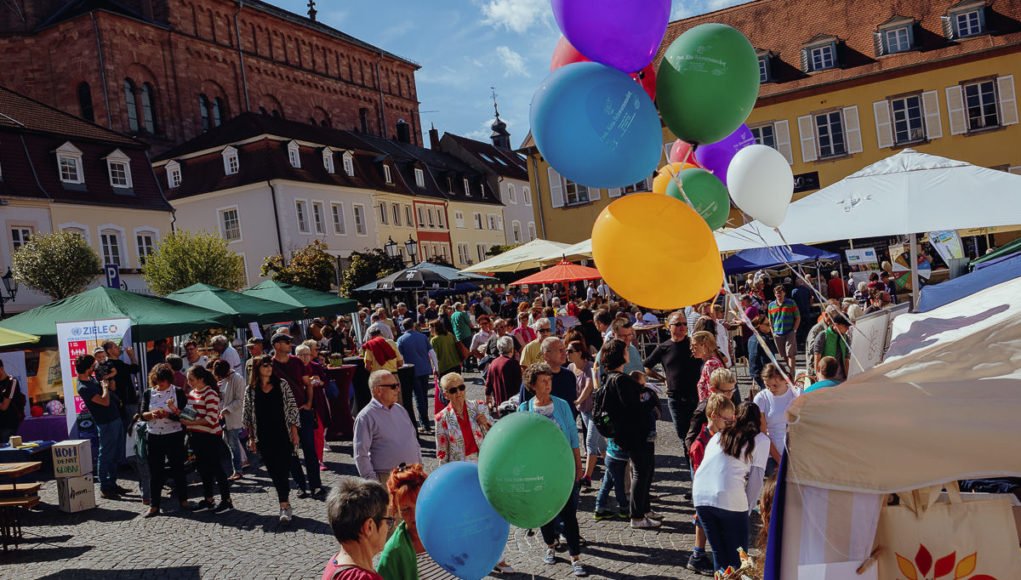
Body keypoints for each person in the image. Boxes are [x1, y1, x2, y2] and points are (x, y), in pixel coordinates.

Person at [518, 363, 587, 577]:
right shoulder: (524, 409)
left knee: (569, 515)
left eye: (550, 380)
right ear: (533, 385)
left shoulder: (562, 405)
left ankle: (576, 557)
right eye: (544, 381)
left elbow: (574, 439)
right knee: (544, 514)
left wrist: (578, 466)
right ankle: (550, 545)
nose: (548, 384)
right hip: (539, 472)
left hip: (562, 469)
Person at [692, 402, 770, 574]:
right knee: (738, 557)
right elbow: (756, 481)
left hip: (701, 496)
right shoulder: (761, 440)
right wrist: (747, 509)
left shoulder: (719, 435)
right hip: (730, 497)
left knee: (720, 555)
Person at [598, 339, 661, 530]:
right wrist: (649, 399)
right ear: (620, 355)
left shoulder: (609, 378)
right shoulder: (622, 380)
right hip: (635, 434)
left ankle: (645, 509)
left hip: (628, 434)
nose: (629, 351)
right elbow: (635, 408)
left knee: (645, 471)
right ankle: (637, 515)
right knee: (641, 473)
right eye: (625, 349)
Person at [243, 354, 301, 523]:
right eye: (264, 366)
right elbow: (248, 416)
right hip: (264, 436)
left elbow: (292, 409)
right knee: (273, 470)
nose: (269, 368)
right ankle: (284, 502)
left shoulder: (281, 385)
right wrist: (251, 438)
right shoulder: (251, 390)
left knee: (283, 468)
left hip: (282, 434)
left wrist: (294, 432)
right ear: (257, 369)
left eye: (270, 365)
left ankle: (284, 504)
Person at [686, 394, 737, 575]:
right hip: (707, 492)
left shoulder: (719, 434)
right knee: (703, 521)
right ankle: (698, 556)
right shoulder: (701, 444)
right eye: (727, 419)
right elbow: (703, 472)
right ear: (714, 416)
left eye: (733, 419)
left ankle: (699, 555)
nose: (730, 423)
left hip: (716, 490)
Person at [271, 332, 324, 497]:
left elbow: (307, 384)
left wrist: (308, 404)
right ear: (277, 345)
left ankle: (316, 484)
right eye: (286, 342)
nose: (290, 345)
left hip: (303, 411)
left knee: (309, 448)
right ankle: (301, 485)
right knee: (291, 451)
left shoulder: (296, 362)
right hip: (284, 415)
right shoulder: (269, 365)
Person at [643, 310, 702, 447]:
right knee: (684, 437)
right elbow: (646, 367)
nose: (682, 327)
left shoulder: (693, 344)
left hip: (696, 395)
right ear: (669, 326)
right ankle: (692, 465)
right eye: (678, 324)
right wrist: (663, 379)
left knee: (699, 434)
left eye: (685, 324)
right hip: (676, 399)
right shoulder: (664, 348)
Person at [180, 365, 233, 513]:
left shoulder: (210, 394)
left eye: (191, 379)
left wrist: (191, 422)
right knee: (203, 469)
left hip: (210, 437)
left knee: (217, 468)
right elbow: (188, 414)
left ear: (201, 379)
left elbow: (211, 419)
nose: (189, 382)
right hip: (196, 436)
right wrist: (177, 412)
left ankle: (226, 500)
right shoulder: (192, 393)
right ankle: (209, 499)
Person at [139, 363, 190, 517]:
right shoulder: (149, 393)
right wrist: (151, 414)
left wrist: (168, 414)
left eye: (163, 382)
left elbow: (185, 416)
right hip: (154, 435)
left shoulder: (178, 392)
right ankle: (154, 505)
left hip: (174, 434)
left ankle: (184, 500)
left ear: (169, 380)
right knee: (155, 471)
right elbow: (141, 414)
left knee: (178, 468)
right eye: (157, 382)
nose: (160, 385)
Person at [353, 370, 422, 483]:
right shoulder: (365, 417)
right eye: (393, 386)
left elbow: (413, 440)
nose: (398, 390)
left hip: (412, 474)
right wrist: (373, 483)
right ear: (378, 390)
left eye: (398, 385)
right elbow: (361, 455)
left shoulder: (400, 409)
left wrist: (419, 466)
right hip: (387, 478)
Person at [76, 354, 127, 499]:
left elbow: (112, 390)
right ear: (87, 369)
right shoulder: (83, 387)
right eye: (93, 365)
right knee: (105, 454)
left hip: (114, 418)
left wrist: (108, 378)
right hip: (105, 422)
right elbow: (104, 401)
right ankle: (105, 487)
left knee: (115, 452)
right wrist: (104, 388)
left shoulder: (91, 379)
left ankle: (112, 483)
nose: (95, 367)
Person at [322, 477, 392, 580]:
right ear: (369, 527)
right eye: (388, 520)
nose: (388, 527)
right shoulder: (365, 578)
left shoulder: (335, 562)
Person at [435, 372, 492, 464]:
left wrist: (486, 423)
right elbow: (442, 452)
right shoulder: (441, 418)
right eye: (453, 390)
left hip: (482, 459)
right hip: (459, 465)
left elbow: (494, 433)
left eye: (461, 388)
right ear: (446, 395)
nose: (458, 392)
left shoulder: (479, 406)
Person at [568, 340, 602, 487]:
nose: (567, 354)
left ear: (579, 352)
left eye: (570, 351)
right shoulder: (570, 367)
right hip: (583, 411)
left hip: (595, 410)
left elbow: (589, 387)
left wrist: (577, 401)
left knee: (590, 442)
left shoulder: (589, 366)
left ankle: (586, 477)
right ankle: (616, 470)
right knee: (601, 445)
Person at [753, 363, 798, 474]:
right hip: (772, 454)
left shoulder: (797, 394)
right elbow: (762, 434)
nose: (770, 389)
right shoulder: (761, 398)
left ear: (785, 380)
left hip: (796, 452)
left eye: (775, 385)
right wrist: (780, 460)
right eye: (767, 385)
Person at [519, 337, 579, 418]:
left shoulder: (569, 376)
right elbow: (524, 411)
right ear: (546, 355)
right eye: (560, 350)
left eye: (564, 350)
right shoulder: (533, 378)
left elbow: (572, 405)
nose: (565, 353)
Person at [685, 368, 739, 455]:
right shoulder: (704, 408)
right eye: (726, 391)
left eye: (732, 390)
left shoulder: (732, 401)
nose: (730, 395)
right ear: (713, 389)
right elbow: (690, 439)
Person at [395, 319, 434, 433]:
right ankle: (425, 422)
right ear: (413, 325)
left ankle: (424, 424)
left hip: (412, 372)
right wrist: (435, 367)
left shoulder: (401, 340)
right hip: (425, 370)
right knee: (423, 397)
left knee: (418, 398)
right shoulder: (423, 337)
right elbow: (432, 353)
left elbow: (400, 358)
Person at [214, 359, 247, 481]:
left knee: (233, 444)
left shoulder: (237, 379)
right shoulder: (225, 379)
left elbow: (240, 400)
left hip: (232, 417)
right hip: (224, 417)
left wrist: (227, 409)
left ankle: (238, 470)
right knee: (228, 441)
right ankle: (239, 466)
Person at [767, 285, 801, 372]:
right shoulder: (771, 305)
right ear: (774, 294)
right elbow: (770, 320)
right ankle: (790, 371)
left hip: (789, 331)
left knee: (790, 354)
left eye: (780, 292)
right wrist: (772, 332)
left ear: (784, 293)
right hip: (777, 333)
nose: (779, 294)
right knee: (784, 355)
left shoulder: (791, 303)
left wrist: (794, 330)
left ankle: (792, 374)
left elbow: (798, 317)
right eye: (777, 293)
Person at [811, 314, 852, 382]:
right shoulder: (823, 336)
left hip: (841, 378)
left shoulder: (846, 338)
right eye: (845, 326)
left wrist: (847, 377)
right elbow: (817, 358)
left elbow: (846, 359)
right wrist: (818, 375)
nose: (847, 328)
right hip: (826, 378)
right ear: (836, 325)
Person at [485, 336, 521, 410]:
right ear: (512, 349)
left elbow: (488, 384)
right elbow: (519, 385)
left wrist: (488, 399)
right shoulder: (513, 363)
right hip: (512, 404)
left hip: (499, 404)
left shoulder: (493, 363)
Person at [691, 331, 728, 402]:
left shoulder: (711, 364)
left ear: (704, 346)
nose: (691, 349)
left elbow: (712, 392)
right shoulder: (714, 360)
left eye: (694, 345)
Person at [746, 315, 774, 395]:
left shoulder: (751, 338)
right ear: (760, 326)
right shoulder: (763, 340)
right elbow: (767, 360)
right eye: (767, 324)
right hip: (764, 373)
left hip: (755, 372)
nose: (770, 326)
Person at [0, 359, 26, 444]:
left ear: (1, 369)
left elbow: (4, 406)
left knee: (5, 451)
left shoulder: (12, 381)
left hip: (8, 424)